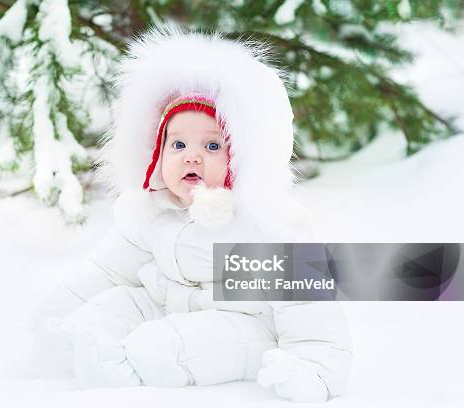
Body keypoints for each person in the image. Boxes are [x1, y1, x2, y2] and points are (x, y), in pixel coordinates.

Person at [31, 25, 353, 402]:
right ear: (157, 153)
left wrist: (315, 370)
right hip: (167, 306)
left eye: (213, 145)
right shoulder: (155, 211)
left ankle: (121, 374)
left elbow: (309, 308)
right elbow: (105, 270)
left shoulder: (263, 225)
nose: (192, 156)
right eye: (178, 143)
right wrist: (56, 313)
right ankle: (75, 348)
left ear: (242, 157)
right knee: (111, 307)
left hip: (245, 328)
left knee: (168, 343)